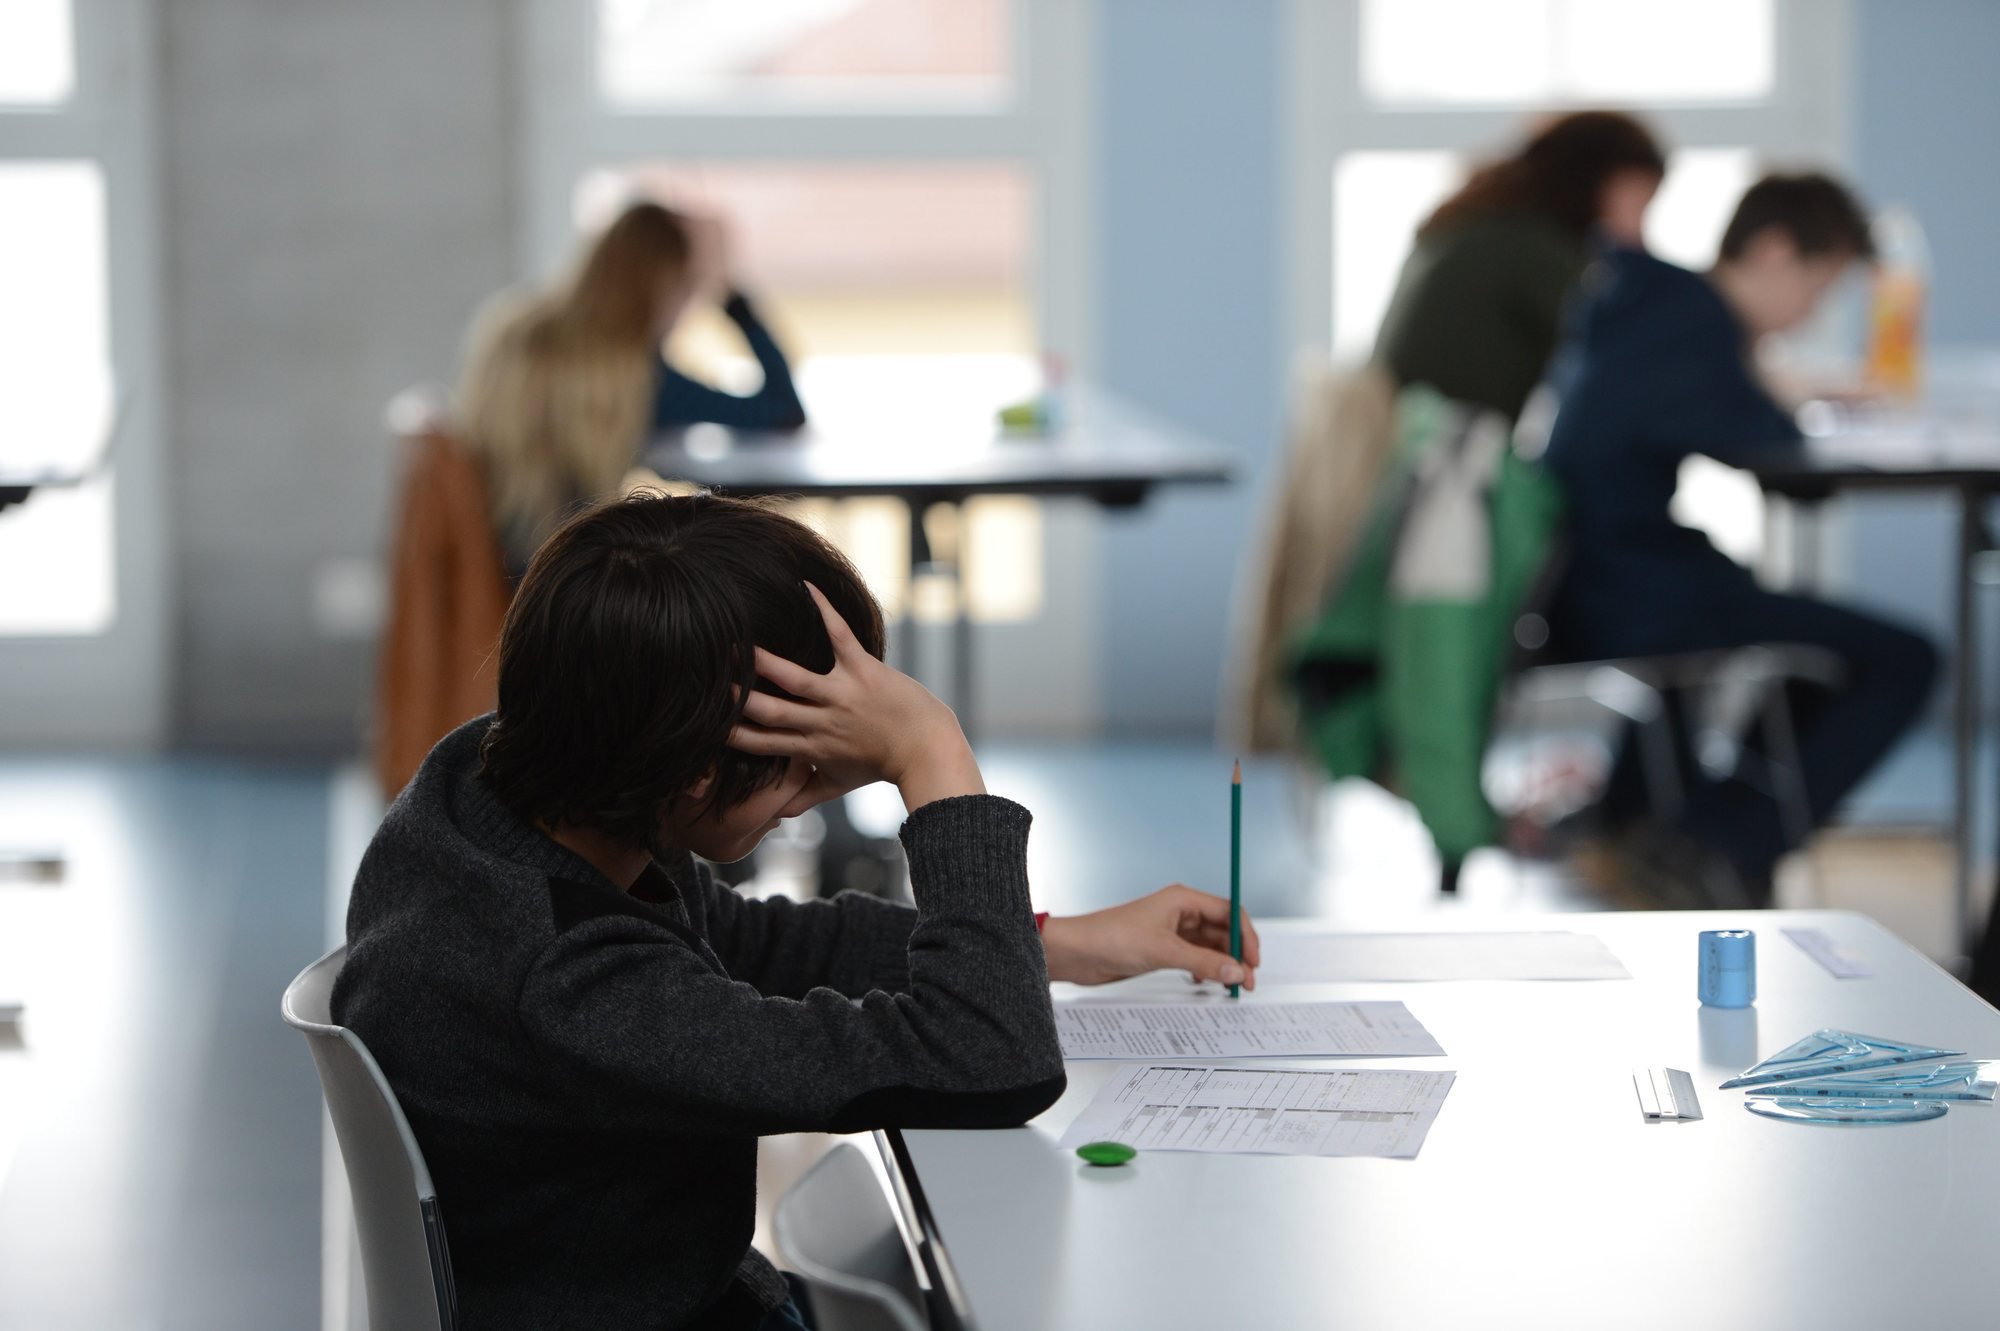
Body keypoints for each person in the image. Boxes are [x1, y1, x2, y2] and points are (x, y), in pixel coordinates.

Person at [333, 491, 1262, 1331]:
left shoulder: (495, 796)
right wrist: (931, 753)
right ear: (694, 773)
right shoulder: (569, 980)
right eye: (806, 756)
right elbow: (991, 1061)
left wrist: (1056, 942)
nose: (824, 785)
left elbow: (755, 943)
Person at [1541, 172, 1938, 904]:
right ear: (1775, 249)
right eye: (1818, 289)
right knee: (1907, 656)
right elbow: (1792, 468)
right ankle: (1718, 845)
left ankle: (1689, 829)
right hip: (1626, 592)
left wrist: (1763, 375)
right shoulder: (1692, 325)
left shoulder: (1656, 300)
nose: (1810, 313)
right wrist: (1778, 391)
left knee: (1786, 627)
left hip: (1591, 571)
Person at [455, 202, 807, 573]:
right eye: (688, 290)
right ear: (664, 287)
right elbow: (782, 409)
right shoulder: (637, 377)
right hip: (564, 581)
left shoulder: (511, 329)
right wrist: (733, 296)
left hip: (491, 567)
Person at [1373, 109, 1667, 422]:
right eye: (1638, 206)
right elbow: (1621, 355)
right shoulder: (1532, 247)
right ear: (1595, 181)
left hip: (1404, 442)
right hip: (1442, 454)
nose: (1640, 234)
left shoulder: (1484, 223)